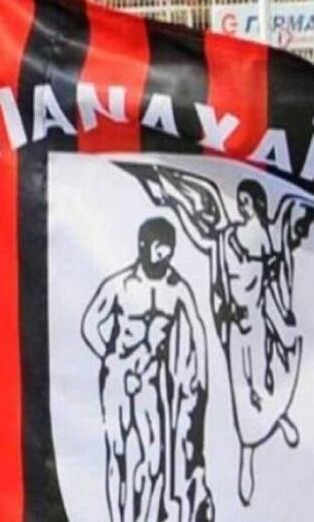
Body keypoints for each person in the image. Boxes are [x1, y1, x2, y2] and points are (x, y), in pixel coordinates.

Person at [123, 163, 314, 506]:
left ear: (256, 204)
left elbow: (281, 263)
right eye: (239, 201)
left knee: (267, 381)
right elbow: (200, 232)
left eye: (246, 201)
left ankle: (277, 418)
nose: (241, 206)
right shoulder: (226, 238)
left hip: (260, 321)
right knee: (243, 392)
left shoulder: (270, 239)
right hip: (235, 327)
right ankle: (247, 458)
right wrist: (170, 192)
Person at [82, 217, 213, 522]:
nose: (164, 255)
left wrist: (200, 379)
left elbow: (197, 328)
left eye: (168, 248)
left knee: (154, 457)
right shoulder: (121, 285)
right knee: (118, 453)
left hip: (151, 380)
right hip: (118, 377)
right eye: (158, 247)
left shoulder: (176, 289)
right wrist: (111, 359)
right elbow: (90, 324)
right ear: (143, 246)